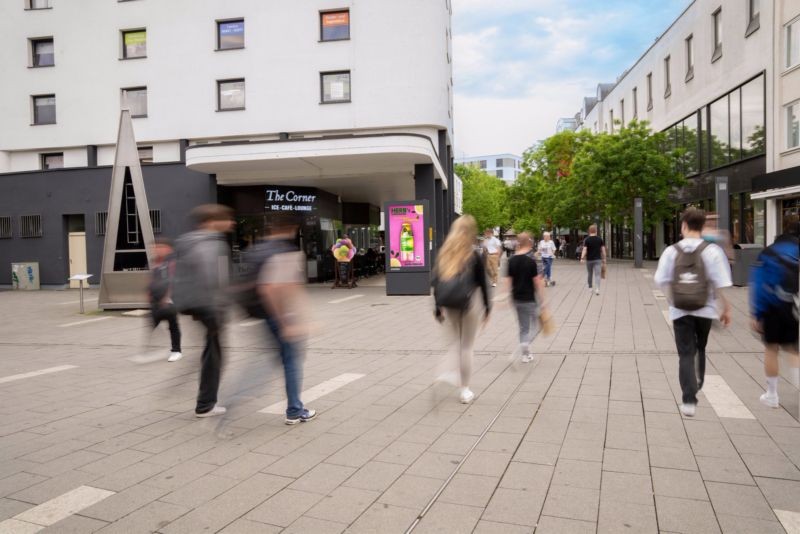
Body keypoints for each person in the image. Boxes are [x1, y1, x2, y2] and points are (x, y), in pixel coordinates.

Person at [654, 208, 732, 417]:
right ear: (702, 226)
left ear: (684, 226)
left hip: (680, 310)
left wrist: (673, 298)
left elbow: (661, 280)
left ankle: (689, 399)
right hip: (705, 309)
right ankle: (699, 380)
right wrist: (725, 307)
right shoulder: (712, 250)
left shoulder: (672, 251)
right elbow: (721, 282)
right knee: (701, 346)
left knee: (685, 353)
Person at [173, 204, 235, 418]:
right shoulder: (213, 243)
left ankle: (205, 402)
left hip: (192, 304)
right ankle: (205, 404)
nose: (231, 222)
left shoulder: (187, 241)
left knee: (211, 351)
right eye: (226, 218)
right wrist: (219, 307)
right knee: (214, 354)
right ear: (211, 221)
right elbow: (215, 278)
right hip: (209, 306)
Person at [257, 216, 316, 425]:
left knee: (274, 361)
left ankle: (231, 400)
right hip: (285, 316)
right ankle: (294, 410)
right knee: (291, 363)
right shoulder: (286, 251)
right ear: (291, 228)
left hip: (263, 316)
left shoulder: (258, 249)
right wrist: (290, 322)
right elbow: (278, 288)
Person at [433, 215, 491, 404]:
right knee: (466, 346)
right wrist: (488, 308)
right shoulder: (474, 254)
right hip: (469, 303)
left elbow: (436, 281)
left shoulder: (444, 252)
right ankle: (464, 390)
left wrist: (437, 307)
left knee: (456, 343)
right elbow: (483, 283)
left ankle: (448, 371)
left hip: (450, 304)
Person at [749, 218, 800, 408]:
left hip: (771, 307)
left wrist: (757, 313)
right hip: (792, 306)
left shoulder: (768, 252)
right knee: (793, 349)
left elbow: (759, 284)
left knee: (772, 349)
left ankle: (772, 395)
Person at [506, 232, 546, 362]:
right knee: (536, 326)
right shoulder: (531, 261)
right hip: (529, 298)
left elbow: (508, 282)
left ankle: (525, 355)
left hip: (516, 298)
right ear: (529, 243)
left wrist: (507, 297)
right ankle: (524, 345)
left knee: (523, 327)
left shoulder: (511, 260)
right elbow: (537, 282)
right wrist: (543, 300)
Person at [148, 238, 182, 362]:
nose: (157, 249)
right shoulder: (155, 261)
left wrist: (168, 297)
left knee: (173, 325)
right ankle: (149, 350)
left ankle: (176, 351)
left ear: (168, 248)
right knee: (152, 322)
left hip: (169, 301)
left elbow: (173, 280)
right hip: (156, 300)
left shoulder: (172, 262)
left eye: (160, 247)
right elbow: (152, 280)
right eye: (155, 247)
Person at [580, 225, 606, 295]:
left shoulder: (587, 240)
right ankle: (597, 289)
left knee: (590, 274)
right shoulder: (600, 239)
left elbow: (585, 249)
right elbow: (603, 250)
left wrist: (582, 258)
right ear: (596, 231)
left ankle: (590, 288)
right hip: (598, 259)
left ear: (589, 231)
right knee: (597, 274)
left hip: (589, 260)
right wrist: (604, 258)